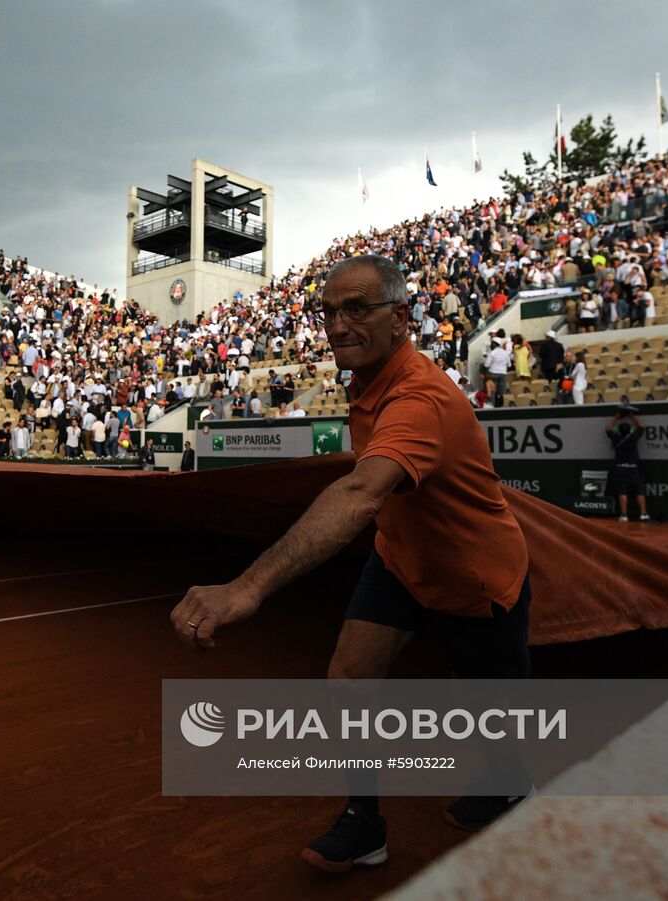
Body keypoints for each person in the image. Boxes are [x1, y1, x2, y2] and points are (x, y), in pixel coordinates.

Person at [169, 257, 531, 872]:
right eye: (329, 312)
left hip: (475, 575)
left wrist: (246, 588)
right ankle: (365, 823)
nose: (337, 325)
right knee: (349, 680)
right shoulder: (366, 378)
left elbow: (360, 494)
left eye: (357, 309)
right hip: (400, 561)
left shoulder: (419, 397)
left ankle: (510, 780)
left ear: (402, 318)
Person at [606, 405, 649, 522]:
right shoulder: (633, 438)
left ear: (619, 431)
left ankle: (624, 515)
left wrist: (617, 417)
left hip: (621, 469)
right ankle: (643, 513)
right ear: (629, 430)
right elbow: (641, 426)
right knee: (639, 491)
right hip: (633, 469)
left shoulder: (616, 439)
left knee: (622, 492)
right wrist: (632, 416)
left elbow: (608, 428)